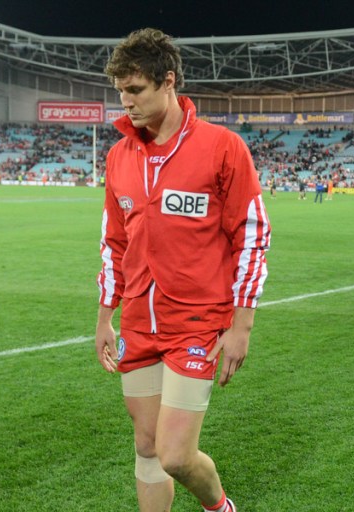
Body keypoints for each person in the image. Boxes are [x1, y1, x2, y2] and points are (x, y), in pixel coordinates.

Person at [96, 28, 270, 512]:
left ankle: (221, 508)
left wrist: (242, 324)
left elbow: (252, 236)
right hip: (137, 320)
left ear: (168, 81)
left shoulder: (222, 147)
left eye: (136, 90)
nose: (126, 102)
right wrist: (104, 317)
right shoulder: (119, 155)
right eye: (121, 92)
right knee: (147, 447)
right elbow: (113, 243)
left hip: (195, 320)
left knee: (174, 454)